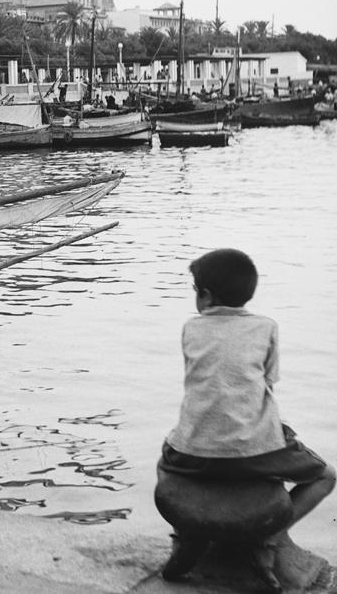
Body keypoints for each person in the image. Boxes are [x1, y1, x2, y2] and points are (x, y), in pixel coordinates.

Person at [158, 249, 336, 583]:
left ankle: (184, 536)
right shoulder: (267, 327)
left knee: (164, 458)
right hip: (258, 454)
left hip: (190, 452)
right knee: (326, 476)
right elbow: (268, 381)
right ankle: (266, 539)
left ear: (205, 296)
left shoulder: (191, 328)